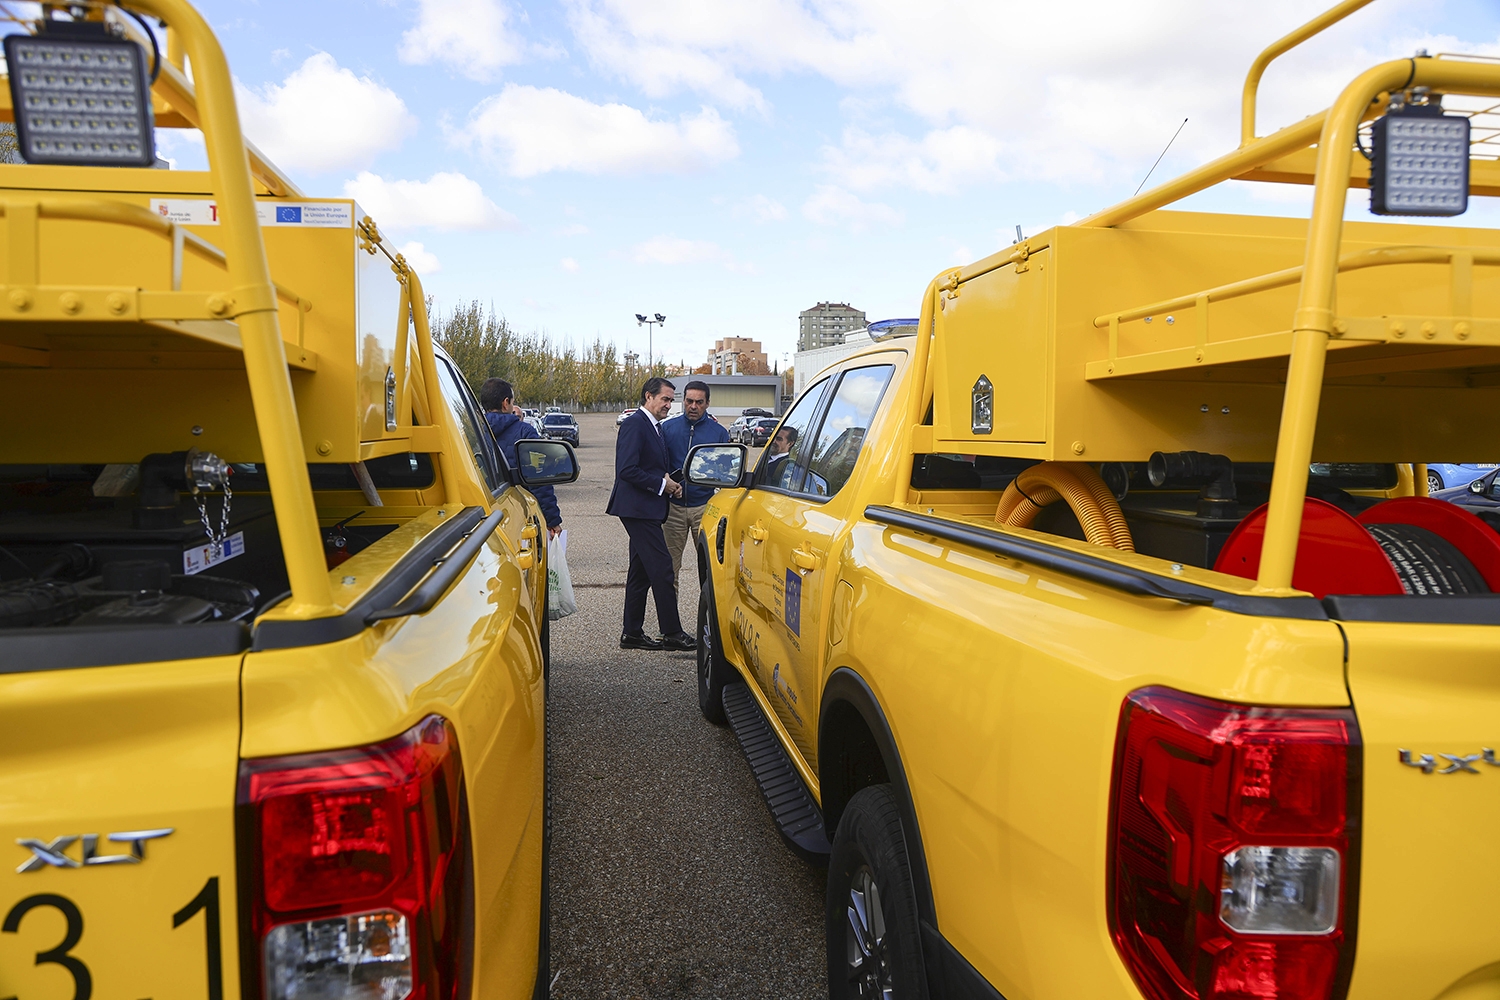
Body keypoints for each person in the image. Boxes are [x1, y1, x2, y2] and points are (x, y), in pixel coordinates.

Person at [607, 377, 696, 651]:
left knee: (641, 573)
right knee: (662, 570)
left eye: (672, 400)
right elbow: (626, 469)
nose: (669, 405)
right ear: (649, 396)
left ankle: (631, 633)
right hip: (637, 509)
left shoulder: (654, 427)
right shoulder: (636, 424)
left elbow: (648, 465)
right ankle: (672, 633)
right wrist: (662, 484)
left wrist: (671, 481)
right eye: (665, 399)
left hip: (647, 508)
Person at [660, 380, 730, 591]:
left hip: (705, 508)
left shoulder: (719, 433)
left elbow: (726, 473)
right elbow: (657, 465)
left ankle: (708, 617)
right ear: (683, 401)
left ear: (707, 403)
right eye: (689, 401)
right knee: (669, 570)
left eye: (699, 402)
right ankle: (670, 623)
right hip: (672, 509)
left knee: (711, 570)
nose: (693, 406)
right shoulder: (667, 429)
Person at [480, 378, 562, 539]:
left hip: (480, 514)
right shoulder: (525, 433)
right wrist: (551, 519)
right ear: (505, 403)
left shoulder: (470, 433)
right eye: (512, 402)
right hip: (518, 513)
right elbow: (539, 479)